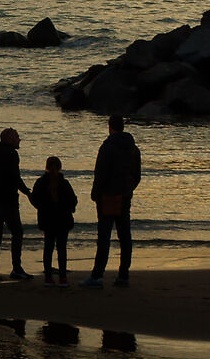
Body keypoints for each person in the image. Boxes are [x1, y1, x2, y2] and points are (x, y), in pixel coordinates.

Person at [83, 115, 142, 288]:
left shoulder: (107, 147)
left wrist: (95, 194)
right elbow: (137, 175)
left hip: (107, 197)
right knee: (125, 236)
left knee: (104, 237)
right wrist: (128, 189)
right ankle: (123, 275)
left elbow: (100, 173)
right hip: (124, 195)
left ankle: (97, 275)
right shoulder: (133, 149)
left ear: (110, 127)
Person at [0, 127, 31, 282]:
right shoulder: (11, 154)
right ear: (9, 139)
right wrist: (28, 192)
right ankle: (16, 268)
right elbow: (14, 177)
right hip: (7, 201)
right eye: (17, 137)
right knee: (17, 232)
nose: (19, 139)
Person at [30, 156, 79, 285]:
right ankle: (63, 277)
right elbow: (73, 200)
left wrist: (41, 208)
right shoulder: (64, 183)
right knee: (62, 248)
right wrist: (70, 208)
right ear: (60, 167)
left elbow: (34, 199)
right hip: (63, 219)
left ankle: (48, 277)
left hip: (47, 219)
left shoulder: (40, 182)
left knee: (48, 248)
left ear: (46, 166)